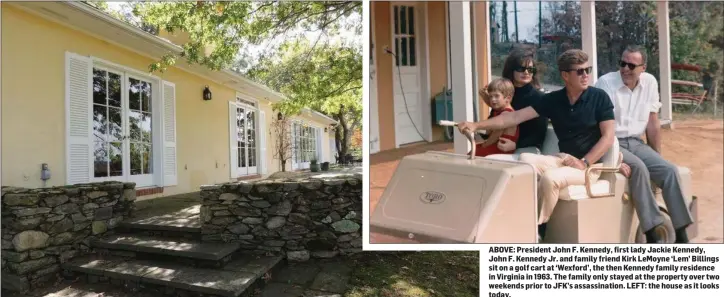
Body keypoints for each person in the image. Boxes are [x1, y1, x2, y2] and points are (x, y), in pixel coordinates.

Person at [457, 49, 616, 242]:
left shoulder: (600, 97)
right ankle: (502, 217)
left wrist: (584, 162)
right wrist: (475, 125)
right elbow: (513, 118)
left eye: (587, 70)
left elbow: (608, 137)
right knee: (523, 161)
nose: (586, 75)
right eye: (579, 71)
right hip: (562, 158)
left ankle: (538, 230)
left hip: (589, 166)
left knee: (550, 178)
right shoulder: (554, 99)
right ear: (565, 75)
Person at [594, 45, 693, 243]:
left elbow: (652, 123)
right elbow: (597, 127)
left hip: (636, 142)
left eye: (631, 65)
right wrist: (612, 159)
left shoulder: (650, 82)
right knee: (639, 168)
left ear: (643, 68)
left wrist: (657, 156)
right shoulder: (605, 83)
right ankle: (652, 232)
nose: (625, 69)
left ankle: (682, 235)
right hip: (612, 141)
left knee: (669, 171)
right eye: (622, 63)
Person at [493, 49, 548, 157]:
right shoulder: (503, 95)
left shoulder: (539, 98)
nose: (526, 72)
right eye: (521, 68)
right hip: (500, 144)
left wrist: (515, 145)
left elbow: (539, 135)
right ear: (511, 70)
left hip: (527, 150)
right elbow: (493, 124)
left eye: (530, 69)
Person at [470, 78, 519, 157]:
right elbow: (490, 131)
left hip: (501, 150)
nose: (492, 100)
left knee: (473, 153)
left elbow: (495, 136)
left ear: (508, 98)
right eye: (490, 96)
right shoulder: (500, 111)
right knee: (473, 150)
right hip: (497, 147)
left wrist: (484, 145)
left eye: (496, 96)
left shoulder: (506, 114)